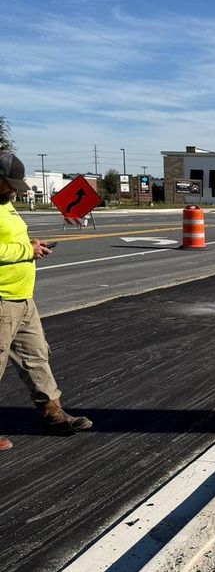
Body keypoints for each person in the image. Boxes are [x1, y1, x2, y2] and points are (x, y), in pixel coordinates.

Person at [0, 152, 92, 452]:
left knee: (36, 356)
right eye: (9, 184)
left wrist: (31, 244)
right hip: (1, 300)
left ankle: (53, 415)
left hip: (22, 299)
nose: (13, 191)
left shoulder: (5, 204)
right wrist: (27, 251)